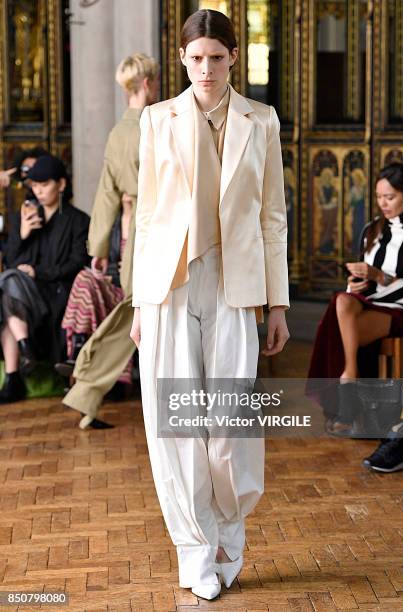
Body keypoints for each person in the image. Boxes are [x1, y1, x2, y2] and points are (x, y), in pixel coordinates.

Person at [130, 9, 289, 601]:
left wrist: (277, 305)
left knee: (228, 423)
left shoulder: (262, 121)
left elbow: (273, 218)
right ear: (182, 59)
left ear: (232, 59)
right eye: (195, 58)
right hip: (169, 284)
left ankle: (229, 533)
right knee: (176, 426)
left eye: (216, 58)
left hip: (236, 282)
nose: (205, 69)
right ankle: (195, 548)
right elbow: (147, 218)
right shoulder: (155, 120)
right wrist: (141, 303)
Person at [62, 53, 160, 429]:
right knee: (140, 318)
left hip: (134, 237)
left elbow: (106, 195)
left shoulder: (118, 133)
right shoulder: (157, 127)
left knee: (135, 316)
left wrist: (99, 250)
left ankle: (86, 388)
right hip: (159, 234)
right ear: (148, 83)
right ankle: (87, 381)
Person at [307, 163, 403, 435]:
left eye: (390, 197)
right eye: (378, 197)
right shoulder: (371, 230)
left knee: (339, 323)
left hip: (398, 310)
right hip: (365, 304)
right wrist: (355, 284)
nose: (383, 203)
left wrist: (379, 276)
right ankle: (350, 376)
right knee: (342, 299)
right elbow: (361, 287)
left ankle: (348, 397)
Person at [0, 154, 90, 403]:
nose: (39, 191)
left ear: (61, 185)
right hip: (26, 294)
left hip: (57, 292)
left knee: (7, 286)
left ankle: (14, 374)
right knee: (8, 282)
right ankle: (24, 348)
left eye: (45, 185)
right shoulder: (26, 216)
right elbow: (11, 260)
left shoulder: (78, 220)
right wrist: (23, 234)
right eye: (35, 186)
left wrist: (39, 272)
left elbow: (77, 263)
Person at [55, 192, 134, 391]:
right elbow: (103, 266)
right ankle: (80, 349)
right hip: (112, 287)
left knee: (86, 287)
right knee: (85, 279)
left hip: (134, 293)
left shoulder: (147, 219)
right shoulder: (111, 223)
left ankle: (79, 354)